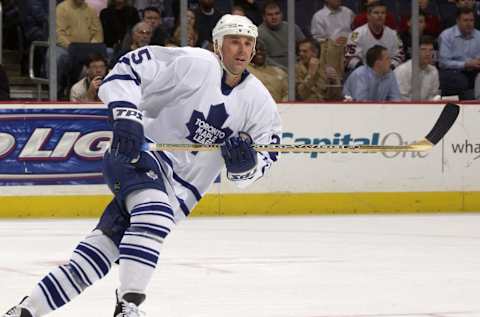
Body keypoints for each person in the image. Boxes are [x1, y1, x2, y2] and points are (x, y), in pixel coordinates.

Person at [2, 13, 281, 317]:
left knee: (101, 250)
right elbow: (126, 69)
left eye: (247, 43)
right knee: (155, 213)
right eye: (234, 42)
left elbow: (262, 160)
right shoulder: (193, 63)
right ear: (217, 45)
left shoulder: (260, 103)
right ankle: (129, 306)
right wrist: (127, 115)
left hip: (178, 190)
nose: (241, 50)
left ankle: (26, 310)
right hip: (137, 153)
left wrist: (245, 167)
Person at [345, 0, 404, 73]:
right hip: (363, 74)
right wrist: (366, 71)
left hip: (388, 74)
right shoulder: (356, 34)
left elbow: (399, 57)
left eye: (383, 13)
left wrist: (389, 68)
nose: (380, 15)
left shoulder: (393, 34)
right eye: (376, 13)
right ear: (368, 16)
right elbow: (350, 58)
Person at [438, 6, 480, 100]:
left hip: (475, 70)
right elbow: (443, 62)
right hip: (453, 71)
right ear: (457, 21)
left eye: (471, 20)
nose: (469, 23)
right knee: (459, 80)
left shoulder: (479, 36)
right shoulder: (446, 36)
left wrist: (475, 63)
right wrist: (465, 64)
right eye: (465, 20)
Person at [258, 0, 306, 69]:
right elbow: (264, 59)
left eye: (277, 13)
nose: (274, 17)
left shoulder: (292, 27)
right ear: (264, 17)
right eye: (270, 15)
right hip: (274, 70)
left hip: (297, 67)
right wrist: (282, 69)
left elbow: (306, 46)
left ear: (282, 14)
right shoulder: (259, 33)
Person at [394, 35, 440, 101]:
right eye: (423, 49)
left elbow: (433, 96)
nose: (428, 53)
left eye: (431, 50)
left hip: (426, 109)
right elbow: (401, 97)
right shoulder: (402, 70)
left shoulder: (434, 71)